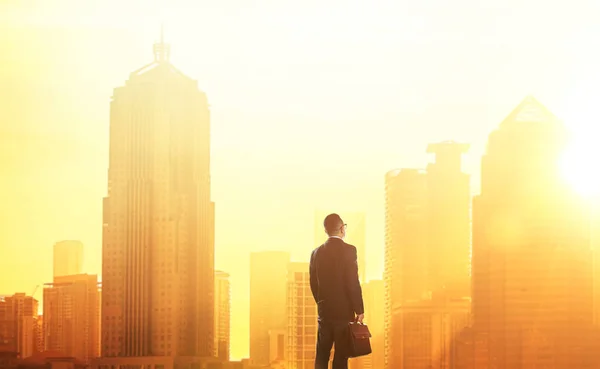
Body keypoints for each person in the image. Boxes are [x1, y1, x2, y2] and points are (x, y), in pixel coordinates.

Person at [310, 213, 365, 369]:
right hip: (344, 313)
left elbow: (314, 284)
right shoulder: (349, 251)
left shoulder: (316, 253)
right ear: (342, 228)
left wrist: (321, 303)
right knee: (341, 357)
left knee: (321, 356)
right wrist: (359, 309)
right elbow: (352, 282)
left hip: (325, 312)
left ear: (326, 230)